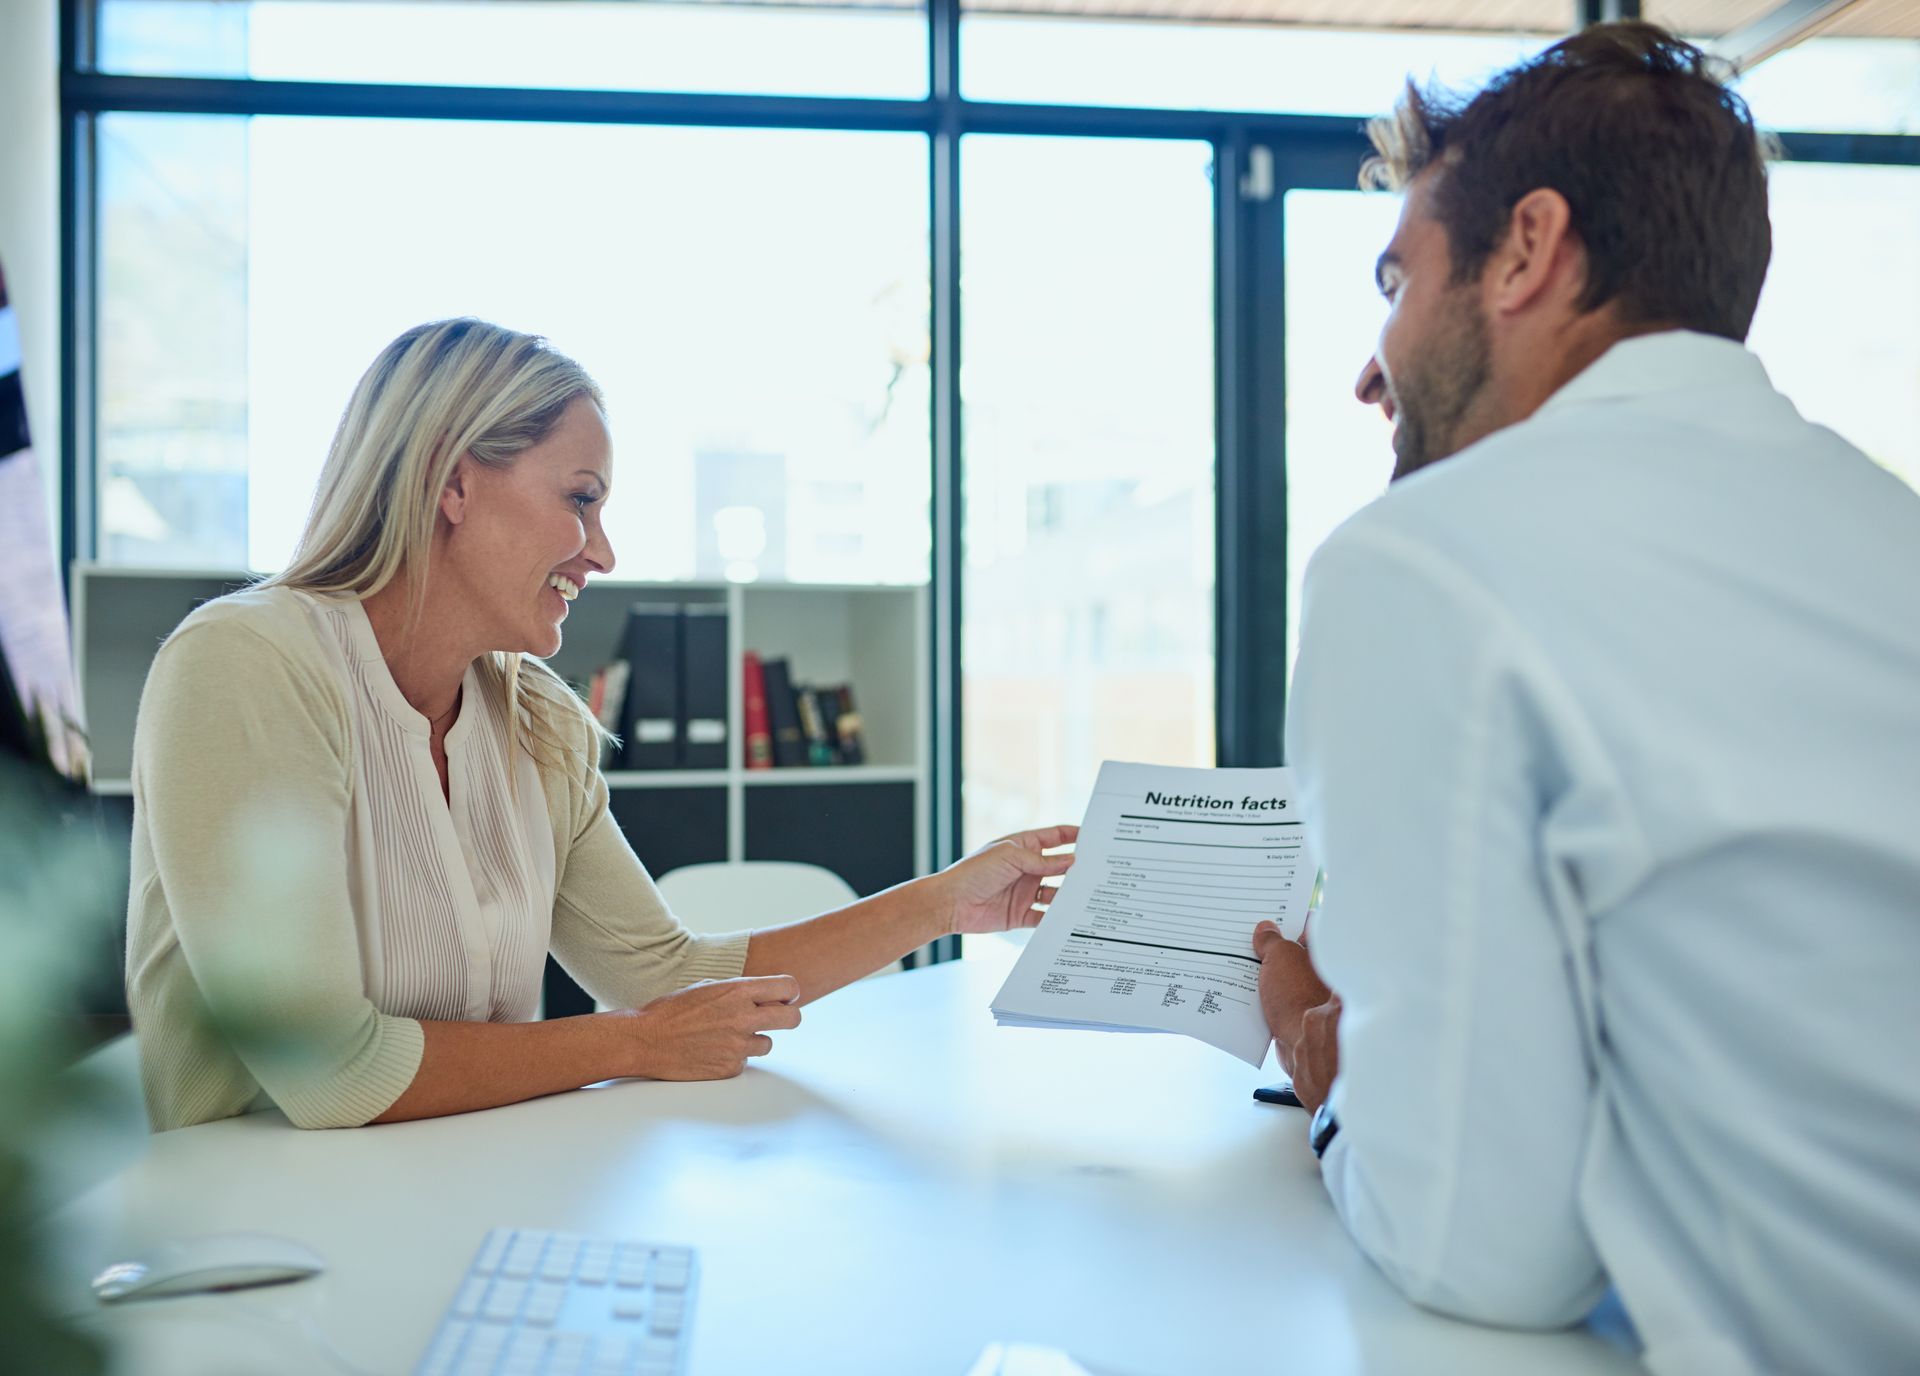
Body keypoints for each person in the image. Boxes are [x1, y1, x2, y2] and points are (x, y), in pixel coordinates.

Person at [1251, 23, 1920, 1376]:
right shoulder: (1886, 526)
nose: (1376, 362)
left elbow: (1486, 1256)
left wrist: (1338, 1091)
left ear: (1526, 249)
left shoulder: (1427, 562)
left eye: (1400, 280)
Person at [127, 318, 1075, 1133]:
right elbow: (328, 1068)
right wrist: (631, 1046)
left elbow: (666, 975)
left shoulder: (538, 721)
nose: (604, 552)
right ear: (451, 484)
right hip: (259, 1241)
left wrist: (945, 902)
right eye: (580, 500)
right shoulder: (248, 667)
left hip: (467, 1188)